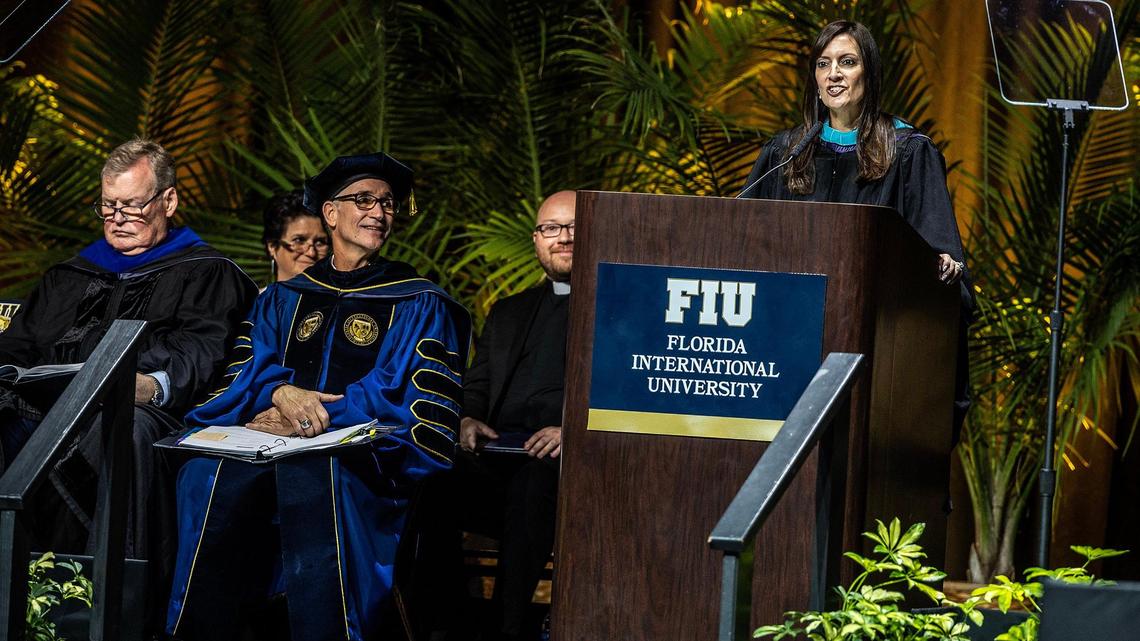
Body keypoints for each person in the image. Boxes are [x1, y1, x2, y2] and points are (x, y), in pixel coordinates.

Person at [165, 152, 470, 641]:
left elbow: (402, 392)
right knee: (205, 473)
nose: (379, 212)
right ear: (331, 214)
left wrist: (315, 418)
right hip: (270, 447)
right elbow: (247, 366)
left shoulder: (419, 301)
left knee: (318, 477)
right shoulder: (282, 298)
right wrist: (280, 392)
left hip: (365, 458)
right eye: (365, 200)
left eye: (388, 203)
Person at [0, 138, 258, 624]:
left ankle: (106, 610)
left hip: (141, 412)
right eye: (108, 206)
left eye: (132, 206)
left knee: (125, 428)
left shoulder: (206, 272)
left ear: (168, 201)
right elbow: (21, 342)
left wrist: (144, 384)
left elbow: (200, 355)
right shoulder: (72, 274)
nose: (118, 218)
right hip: (46, 407)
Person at [740, 20, 973, 431]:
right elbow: (743, 244)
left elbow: (942, 262)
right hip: (787, 351)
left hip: (874, 356)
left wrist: (943, 268)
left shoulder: (908, 153)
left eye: (847, 62)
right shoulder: (786, 154)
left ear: (870, 72)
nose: (833, 74)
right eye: (823, 64)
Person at [421, 191, 575, 641]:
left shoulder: (619, 311)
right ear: (536, 240)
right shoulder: (508, 310)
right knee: (428, 477)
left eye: (573, 227)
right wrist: (466, 419)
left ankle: (503, 630)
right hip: (494, 457)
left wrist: (572, 431)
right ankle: (442, 623)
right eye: (551, 228)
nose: (562, 237)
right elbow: (476, 385)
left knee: (533, 483)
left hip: (563, 468)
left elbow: (626, 391)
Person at [262, 189, 329, 283]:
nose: (311, 253)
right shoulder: (255, 298)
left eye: (320, 242)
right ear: (272, 246)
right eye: (299, 240)